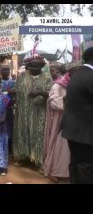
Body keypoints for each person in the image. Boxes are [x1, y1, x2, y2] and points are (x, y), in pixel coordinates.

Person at [13, 55, 53, 172]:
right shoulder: (21, 76)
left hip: (39, 112)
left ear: (42, 66)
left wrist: (40, 92)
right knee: (22, 133)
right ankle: (22, 157)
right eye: (31, 66)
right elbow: (17, 91)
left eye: (36, 66)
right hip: (23, 112)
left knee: (38, 135)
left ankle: (38, 161)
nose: (33, 68)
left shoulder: (47, 77)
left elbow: (51, 94)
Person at [43, 61, 82, 183]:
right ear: (70, 72)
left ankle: (66, 171)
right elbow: (53, 102)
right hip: (61, 119)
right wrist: (66, 100)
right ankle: (53, 170)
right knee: (59, 145)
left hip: (74, 119)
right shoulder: (57, 85)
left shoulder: (74, 83)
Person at [62, 47, 93, 183]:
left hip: (73, 130)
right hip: (85, 131)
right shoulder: (90, 76)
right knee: (86, 166)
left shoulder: (77, 74)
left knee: (75, 163)